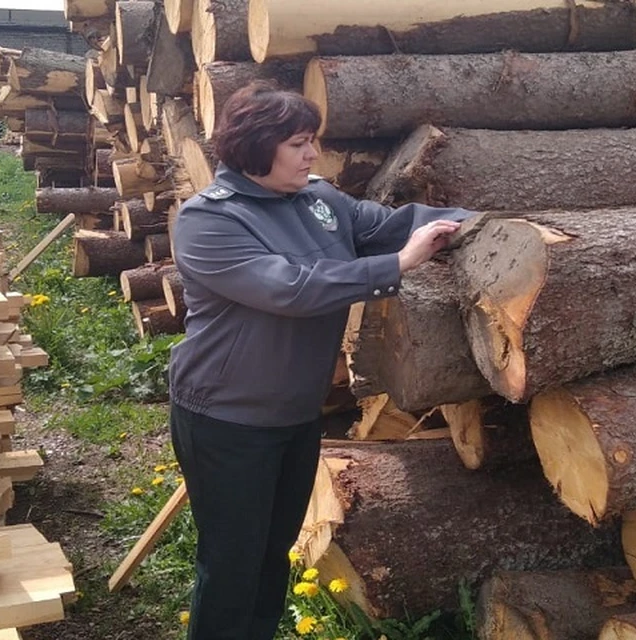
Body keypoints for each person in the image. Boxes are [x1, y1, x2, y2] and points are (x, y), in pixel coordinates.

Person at [168, 82, 474, 640]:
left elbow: (386, 226)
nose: (312, 155)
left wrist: (478, 223)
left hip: (295, 412)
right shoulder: (209, 221)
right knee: (233, 560)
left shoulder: (318, 200)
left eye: (312, 142)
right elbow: (290, 289)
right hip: (228, 419)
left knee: (272, 552)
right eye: (299, 144)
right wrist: (396, 266)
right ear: (257, 148)